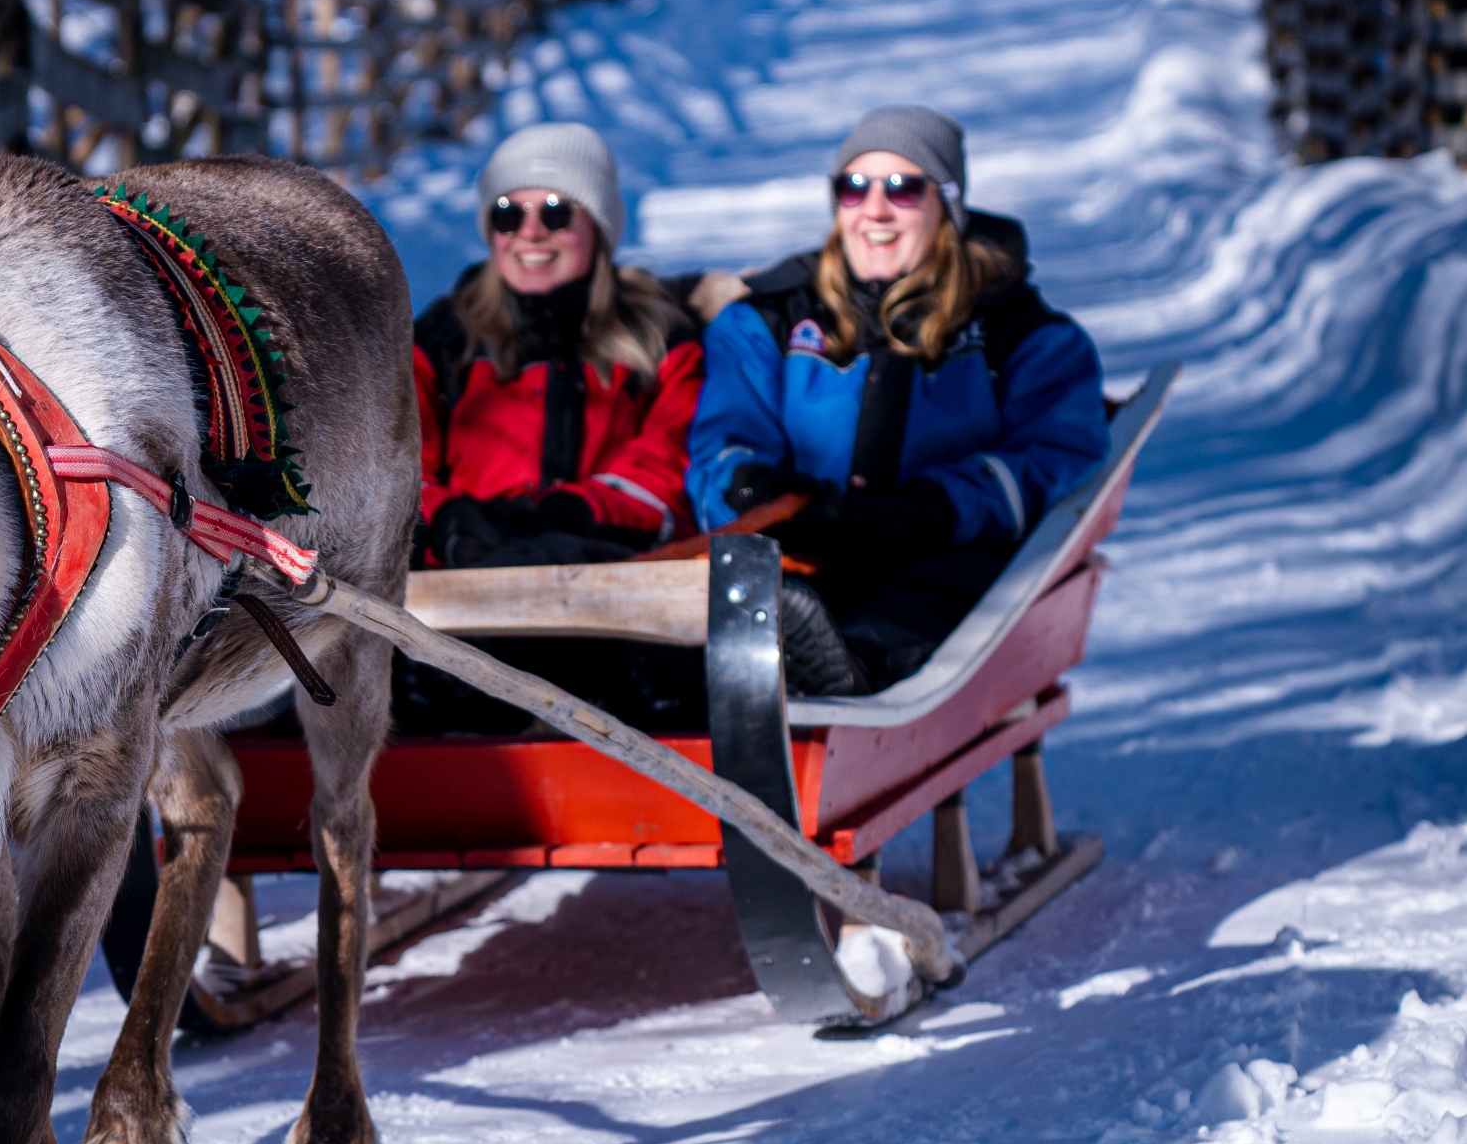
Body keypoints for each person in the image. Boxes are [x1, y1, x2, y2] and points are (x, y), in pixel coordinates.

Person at [685, 105, 1110, 695]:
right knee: (758, 590)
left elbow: (1055, 452)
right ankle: (688, 680)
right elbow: (722, 442)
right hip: (804, 553)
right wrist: (753, 487)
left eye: (905, 188)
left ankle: (845, 669)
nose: (875, 210)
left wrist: (928, 509)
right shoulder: (769, 320)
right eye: (853, 187)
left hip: (938, 558)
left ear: (948, 207)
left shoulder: (1019, 333)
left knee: (943, 588)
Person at [401, 123, 707, 732]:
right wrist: (452, 522)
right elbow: (399, 456)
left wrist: (570, 514)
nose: (531, 233)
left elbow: (671, 462)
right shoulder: (443, 338)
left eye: (558, 212)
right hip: (461, 577)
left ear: (599, 225)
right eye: (509, 213)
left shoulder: (659, 338)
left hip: (610, 579)